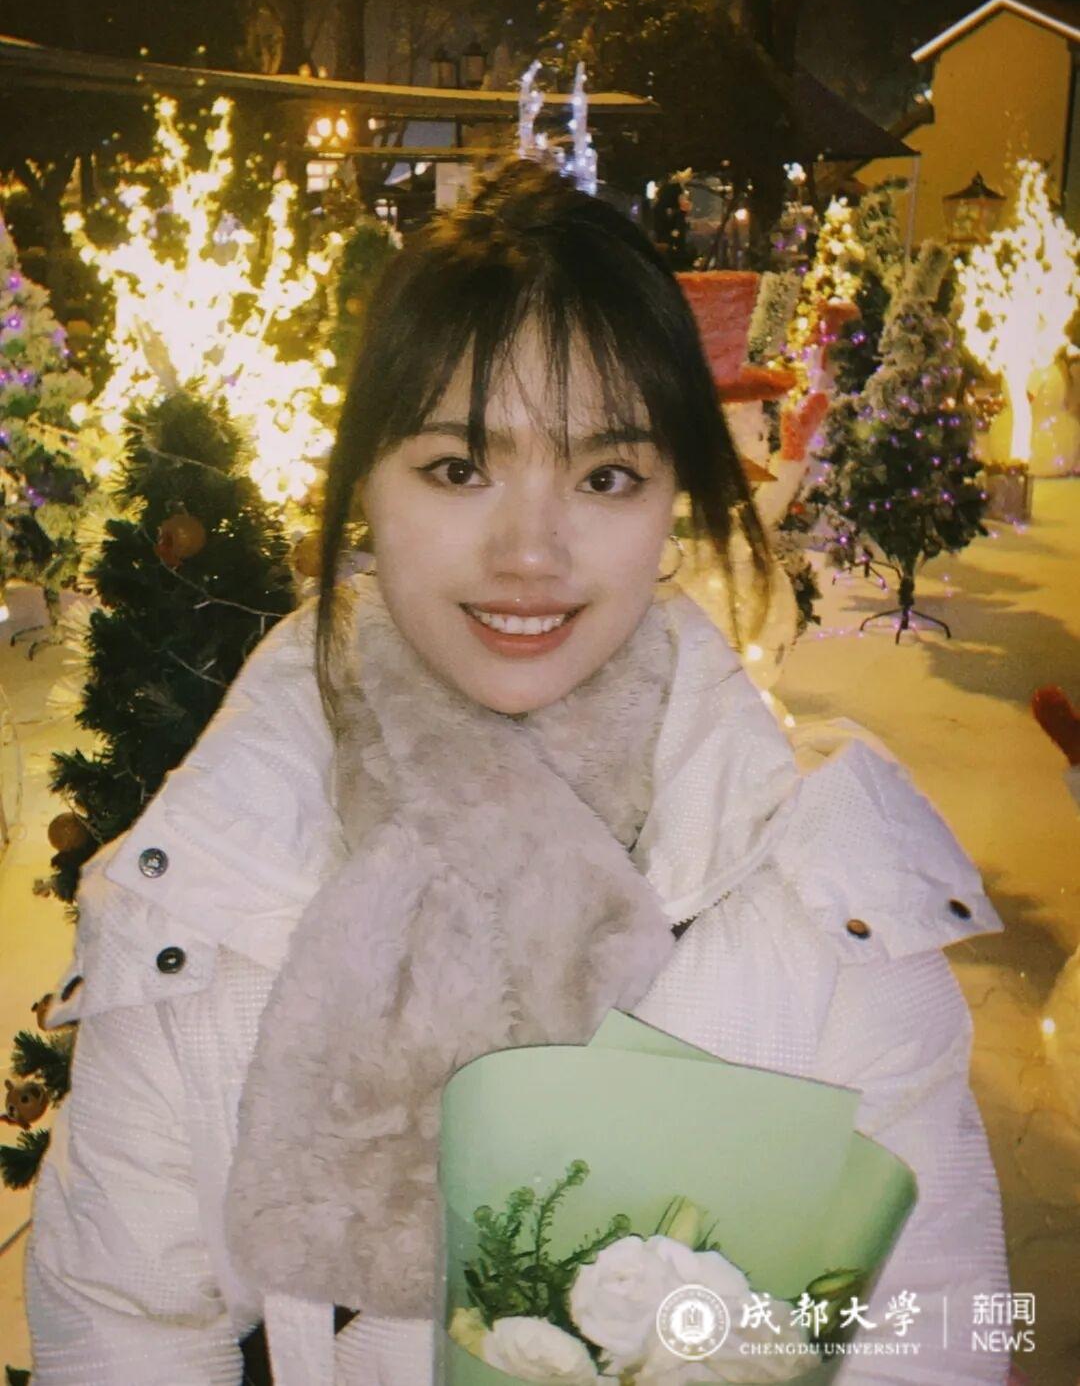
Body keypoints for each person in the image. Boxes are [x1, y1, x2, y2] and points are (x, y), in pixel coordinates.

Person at [25, 159, 1013, 1386]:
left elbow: (936, 1338)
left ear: (674, 496)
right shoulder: (205, 893)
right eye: (458, 468)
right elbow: (124, 1324)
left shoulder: (823, 904)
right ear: (363, 482)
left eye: (606, 477)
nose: (531, 551)